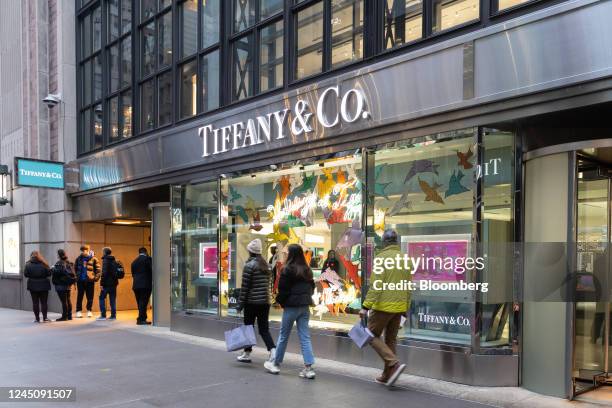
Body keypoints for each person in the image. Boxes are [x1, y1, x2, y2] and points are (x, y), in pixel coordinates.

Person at [359, 229, 411, 387]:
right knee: (390, 339)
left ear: (384, 242)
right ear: (396, 242)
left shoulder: (381, 258)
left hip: (383, 306)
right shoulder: (405, 259)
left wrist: (365, 306)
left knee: (369, 335)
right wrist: (406, 307)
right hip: (399, 306)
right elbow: (408, 286)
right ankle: (387, 375)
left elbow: (376, 286)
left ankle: (393, 364)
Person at [267, 244, 316, 379]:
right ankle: (309, 368)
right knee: (305, 337)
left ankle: (276, 364)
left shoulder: (287, 269)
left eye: (287, 253)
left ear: (291, 254)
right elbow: (312, 287)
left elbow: (283, 290)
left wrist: (280, 302)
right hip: (305, 307)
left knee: (284, 336)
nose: (286, 254)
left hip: (291, 307)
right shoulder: (307, 270)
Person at [236, 239, 276, 367]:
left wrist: (240, 305)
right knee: (264, 329)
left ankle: (247, 353)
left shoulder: (249, 266)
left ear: (250, 252)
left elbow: (245, 288)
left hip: (252, 302)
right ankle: (273, 352)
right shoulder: (267, 266)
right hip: (265, 302)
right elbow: (269, 285)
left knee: (248, 328)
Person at [24, 251, 52, 323]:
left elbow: (26, 274)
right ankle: (45, 318)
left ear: (31, 256)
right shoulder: (44, 264)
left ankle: (37, 319)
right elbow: (49, 274)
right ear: (39, 256)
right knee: (44, 302)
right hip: (44, 285)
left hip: (33, 285)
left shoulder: (28, 264)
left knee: (35, 302)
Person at [74, 245, 101, 318]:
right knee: (80, 296)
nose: (84, 251)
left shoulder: (93, 259)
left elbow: (98, 269)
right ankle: (78, 311)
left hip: (90, 280)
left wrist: (95, 278)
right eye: (83, 250)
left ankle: (89, 310)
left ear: (89, 250)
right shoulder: (78, 259)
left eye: (86, 250)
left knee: (90, 296)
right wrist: (77, 276)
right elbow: (75, 268)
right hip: (80, 280)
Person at [97, 247, 122, 321]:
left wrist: (101, 283)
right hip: (114, 283)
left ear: (104, 252)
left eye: (102, 251)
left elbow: (104, 273)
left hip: (106, 284)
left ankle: (103, 315)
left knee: (101, 298)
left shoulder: (105, 260)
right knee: (112, 299)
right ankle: (113, 315)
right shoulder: (114, 260)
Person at [52, 249, 76, 321]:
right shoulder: (68, 262)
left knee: (64, 301)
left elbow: (58, 272)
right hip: (68, 284)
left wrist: (53, 269)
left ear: (59, 255)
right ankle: (69, 316)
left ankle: (64, 316)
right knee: (68, 300)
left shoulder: (59, 263)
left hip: (60, 284)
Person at [131, 247, 152, 325]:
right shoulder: (148, 259)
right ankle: (141, 319)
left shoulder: (134, 262)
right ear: (146, 252)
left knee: (140, 302)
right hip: (145, 285)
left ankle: (142, 318)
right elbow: (152, 270)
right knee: (144, 302)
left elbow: (133, 274)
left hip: (136, 285)